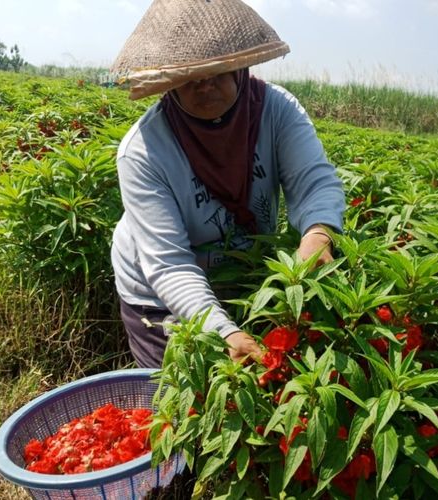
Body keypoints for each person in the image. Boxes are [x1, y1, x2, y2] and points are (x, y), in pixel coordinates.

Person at [110, 0, 345, 369]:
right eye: (190, 78)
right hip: (160, 292)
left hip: (243, 267)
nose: (205, 88)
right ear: (169, 84)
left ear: (240, 67)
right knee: (176, 400)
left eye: (216, 72)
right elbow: (170, 265)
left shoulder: (276, 110)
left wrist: (318, 233)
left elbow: (314, 181)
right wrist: (225, 332)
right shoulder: (143, 152)